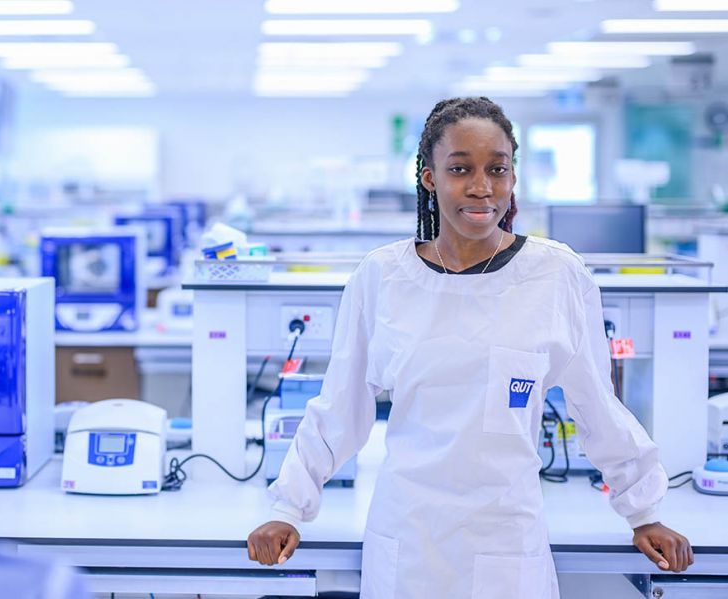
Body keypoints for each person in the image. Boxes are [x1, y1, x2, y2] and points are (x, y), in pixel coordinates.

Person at [247, 97, 694, 598]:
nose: (482, 188)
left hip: (506, 536)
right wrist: (288, 508)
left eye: (497, 170)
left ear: (513, 177)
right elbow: (340, 408)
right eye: (460, 169)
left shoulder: (556, 275)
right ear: (429, 178)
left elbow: (595, 403)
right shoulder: (382, 276)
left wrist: (644, 512)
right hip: (407, 539)